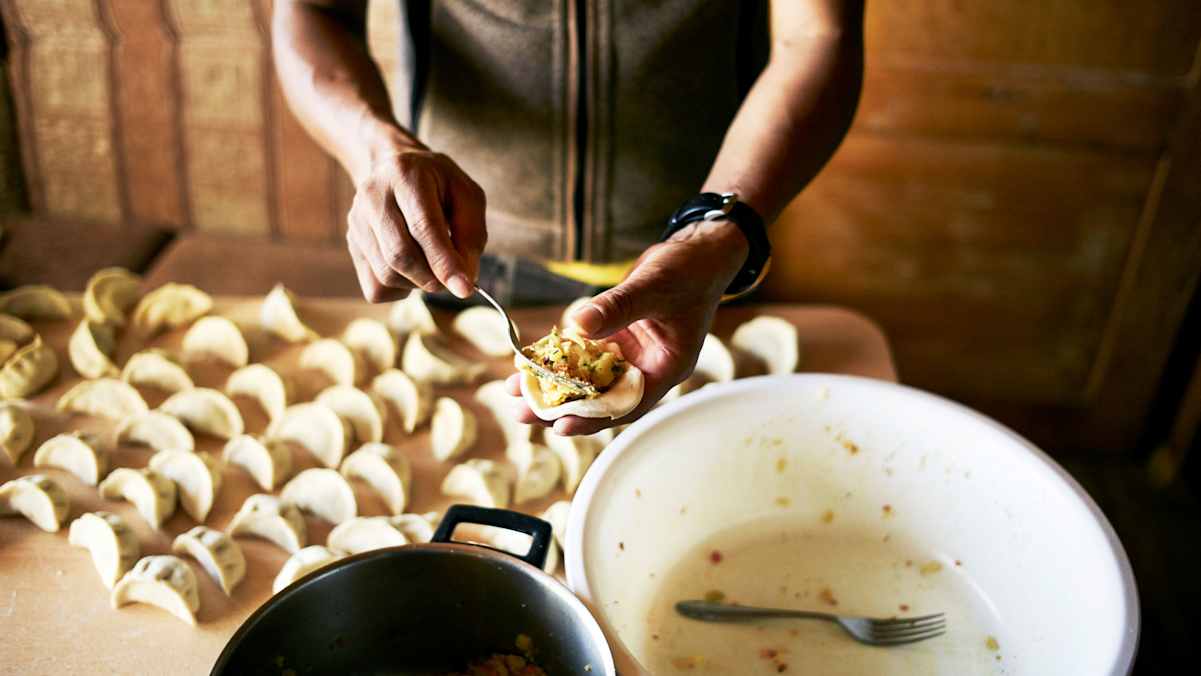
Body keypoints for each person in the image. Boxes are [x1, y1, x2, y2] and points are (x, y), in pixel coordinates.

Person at [273, 0, 863, 436]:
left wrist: (720, 226)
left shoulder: (716, 242)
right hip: (460, 250)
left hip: (709, 253)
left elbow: (817, 36)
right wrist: (375, 147)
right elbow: (311, 12)